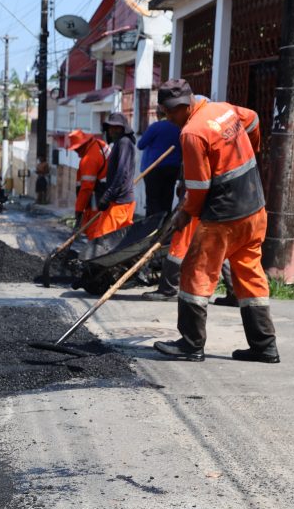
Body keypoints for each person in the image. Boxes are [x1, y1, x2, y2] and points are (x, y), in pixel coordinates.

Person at [152, 79, 279, 364]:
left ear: (187, 103)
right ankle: (264, 346)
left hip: (224, 217)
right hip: (254, 208)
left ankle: (190, 344)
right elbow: (253, 119)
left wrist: (187, 213)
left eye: (173, 111)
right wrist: (251, 150)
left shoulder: (192, 133)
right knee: (250, 274)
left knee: (195, 272)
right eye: (166, 111)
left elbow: (198, 187)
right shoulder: (223, 109)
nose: (170, 117)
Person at [88, 113, 137, 240]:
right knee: (118, 242)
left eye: (116, 127)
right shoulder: (120, 143)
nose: (112, 130)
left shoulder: (124, 143)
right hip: (121, 202)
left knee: (102, 239)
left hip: (119, 203)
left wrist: (108, 195)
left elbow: (122, 172)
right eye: (110, 127)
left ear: (123, 128)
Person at [135, 110, 183, 217]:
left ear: (157, 114)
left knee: (153, 201)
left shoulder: (155, 127)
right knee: (167, 199)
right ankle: (164, 222)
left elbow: (141, 145)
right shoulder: (178, 128)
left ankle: (154, 224)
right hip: (173, 169)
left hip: (153, 169)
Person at [69, 129, 108, 238]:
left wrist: (79, 210)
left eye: (77, 149)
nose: (76, 152)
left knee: (94, 227)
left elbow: (86, 188)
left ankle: (94, 245)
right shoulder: (99, 144)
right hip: (109, 191)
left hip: (99, 195)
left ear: (83, 145)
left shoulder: (89, 160)